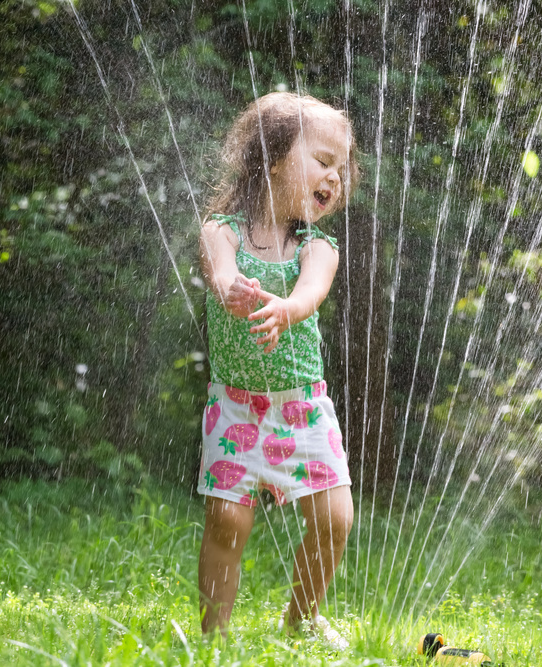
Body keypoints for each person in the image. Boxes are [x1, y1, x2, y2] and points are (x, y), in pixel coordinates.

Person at [197, 91, 360, 648]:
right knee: (227, 523)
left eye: (341, 168)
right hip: (236, 407)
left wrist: (285, 308)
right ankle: (213, 635)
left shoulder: (319, 248)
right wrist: (231, 290)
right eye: (323, 161)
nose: (335, 177)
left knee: (336, 519)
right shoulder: (223, 230)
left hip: (301, 407)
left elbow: (309, 293)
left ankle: (304, 619)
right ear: (272, 157)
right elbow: (220, 274)